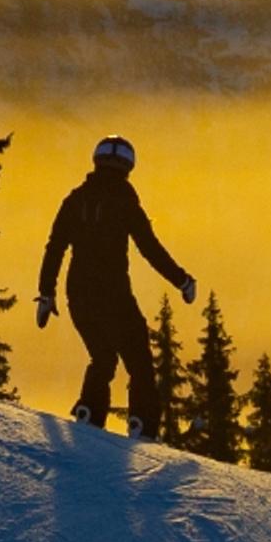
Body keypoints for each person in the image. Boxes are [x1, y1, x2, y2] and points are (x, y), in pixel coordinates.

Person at [38, 135, 196, 435]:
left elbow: (55, 247)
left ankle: (89, 410)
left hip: (78, 294)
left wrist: (46, 293)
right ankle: (142, 422)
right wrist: (182, 280)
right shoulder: (124, 201)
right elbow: (150, 248)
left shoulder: (75, 200)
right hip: (114, 295)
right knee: (139, 360)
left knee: (103, 356)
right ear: (128, 167)